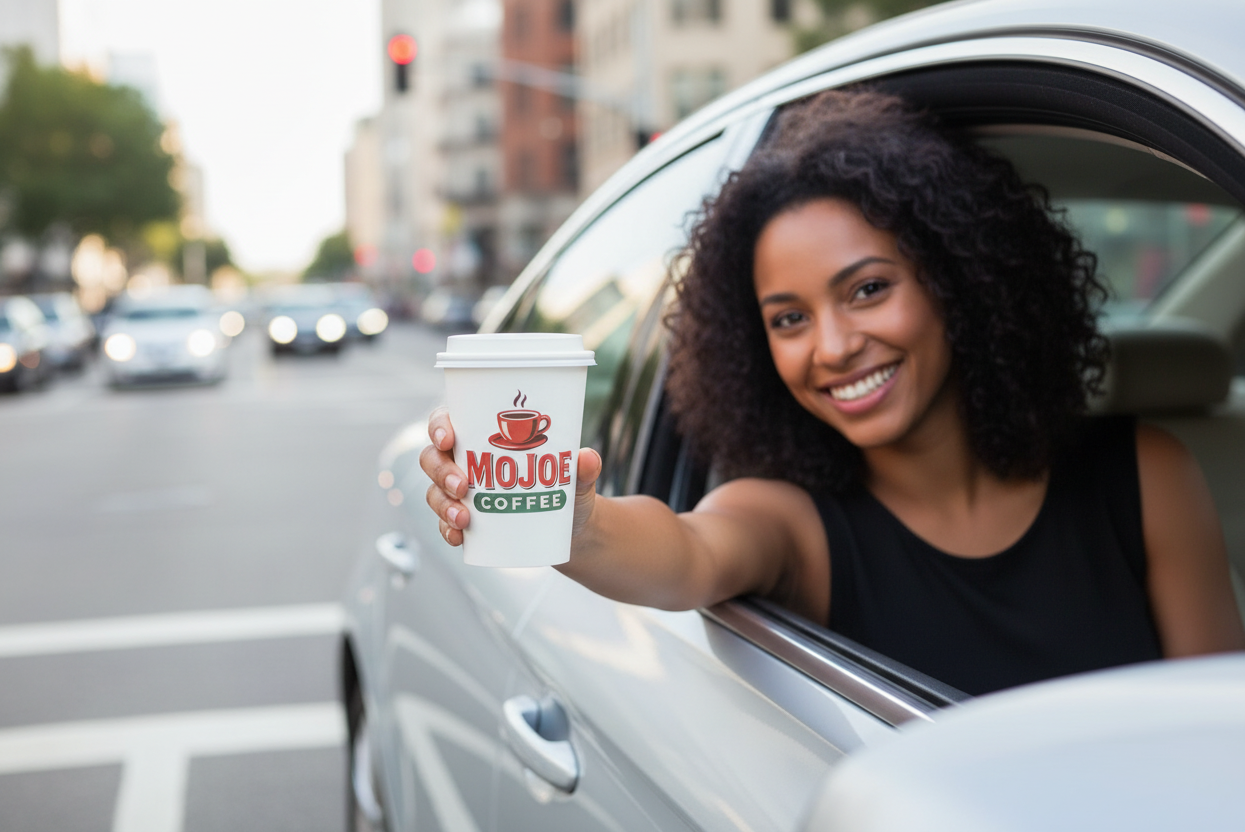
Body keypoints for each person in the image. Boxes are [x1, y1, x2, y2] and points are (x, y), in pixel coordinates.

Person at [422, 89, 1245, 696]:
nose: (833, 347)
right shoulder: (794, 523)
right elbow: (685, 553)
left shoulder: (1144, 475)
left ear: (957, 283)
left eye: (867, 290)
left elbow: (1218, 739)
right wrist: (576, 524)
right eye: (787, 319)